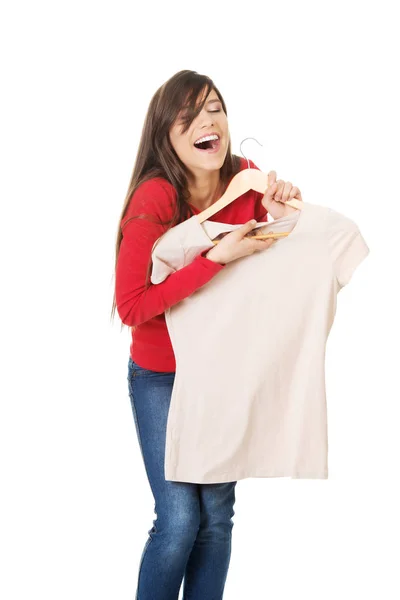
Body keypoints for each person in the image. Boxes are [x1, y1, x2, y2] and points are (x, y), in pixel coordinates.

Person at [110, 69, 302, 600]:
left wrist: (284, 216)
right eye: (188, 116)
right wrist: (216, 257)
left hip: (222, 372)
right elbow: (133, 306)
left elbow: (278, 271)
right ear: (166, 135)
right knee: (177, 519)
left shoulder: (247, 179)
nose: (207, 121)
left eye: (214, 108)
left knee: (216, 515)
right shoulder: (155, 196)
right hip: (162, 377)